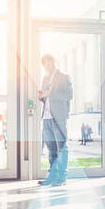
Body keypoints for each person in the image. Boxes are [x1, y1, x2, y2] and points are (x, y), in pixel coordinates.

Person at [39, 54, 73, 186]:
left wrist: (50, 94)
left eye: (49, 63)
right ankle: (52, 176)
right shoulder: (45, 78)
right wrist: (41, 96)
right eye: (45, 64)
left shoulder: (64, 77)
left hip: (58, 117)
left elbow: (69, 95)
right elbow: (44, 97)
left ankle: (62, 177)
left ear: (54, 62)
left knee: (61, 148)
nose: (47, 66)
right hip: (46, 118)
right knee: (51, 149)